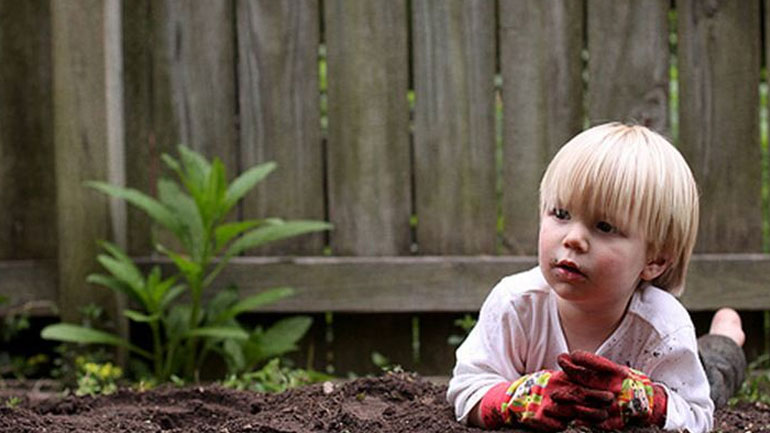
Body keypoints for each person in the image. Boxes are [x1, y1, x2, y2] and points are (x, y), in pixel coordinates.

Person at [446, 122, 746, 433]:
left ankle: (726, 337)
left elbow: (698, 415)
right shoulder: (516, 303)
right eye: (561, 214)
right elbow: (467, 389)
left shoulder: (665, 328)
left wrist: (643, 401)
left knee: (715, 374)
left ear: (654, 259)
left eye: (604, 226)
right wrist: (517, 401)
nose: (573, 238)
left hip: (675, 374)